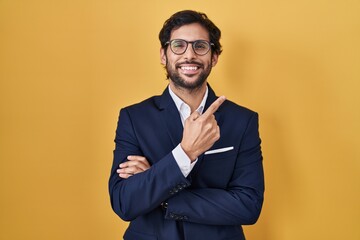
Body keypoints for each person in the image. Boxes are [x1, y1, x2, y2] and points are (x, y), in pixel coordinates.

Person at [109, 10, 265, 240]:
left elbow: (248, 206)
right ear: (164, 55)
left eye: (200, 46)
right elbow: (124, 202)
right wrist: (185, 153)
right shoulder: (134, 118)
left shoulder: (242, 121)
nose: (189, 55)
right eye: (178, 45)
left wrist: (160, 193)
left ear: (214, 57)